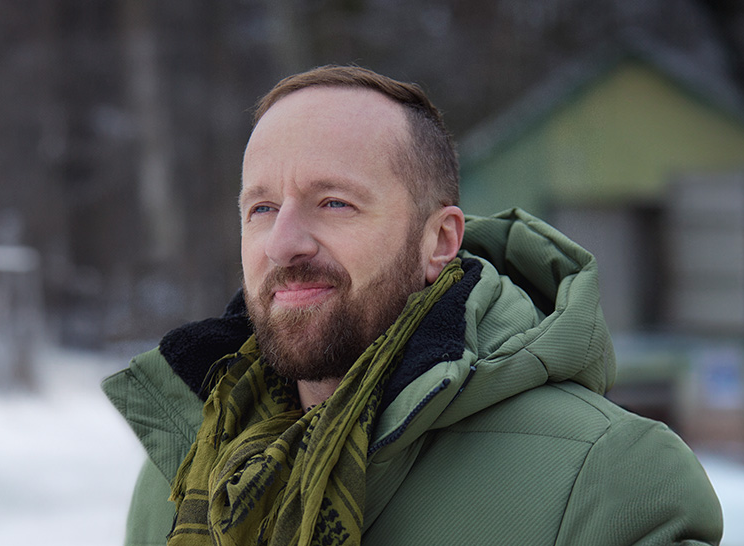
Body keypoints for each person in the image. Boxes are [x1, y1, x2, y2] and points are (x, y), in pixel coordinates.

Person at [102, 65, 722, 545]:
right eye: (261, 208)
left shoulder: (606, 476)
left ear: (439, 241)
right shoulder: (186, 470)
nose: (283, 242)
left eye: (334, 202)